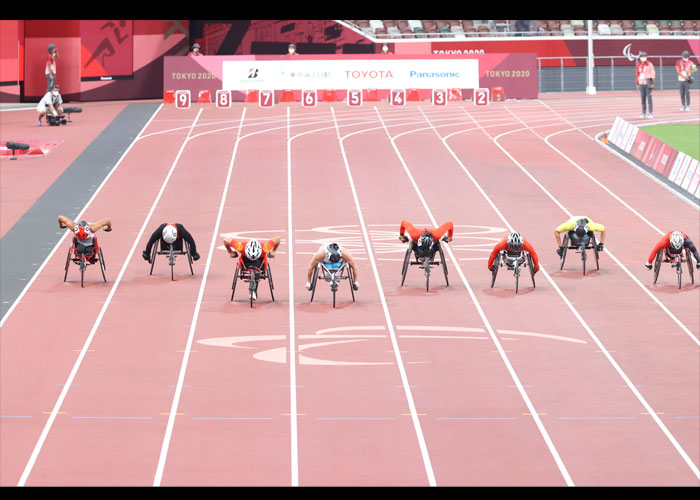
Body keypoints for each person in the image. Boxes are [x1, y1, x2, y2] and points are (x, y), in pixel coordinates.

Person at [223, 236, 281, 301]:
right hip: (245, 261)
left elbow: (277, 239)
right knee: (253, 268)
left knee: (257, 270)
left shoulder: (265, 248)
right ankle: (253, 290)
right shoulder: (241, 246)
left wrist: (274, 251)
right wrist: (230, 252)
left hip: (259, 261)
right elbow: (226, 240)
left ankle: (253, 291)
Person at [635, 52, 655, 118]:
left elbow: (652, 74)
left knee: (649, 98)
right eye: (641, 56)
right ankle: (643, 113)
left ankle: (650, 113)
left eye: (644, 56)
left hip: (648, 82)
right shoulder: (639, 65)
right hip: (641, 83)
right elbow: (637, 74)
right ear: (640, 57)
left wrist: (652, 83)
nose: (643, 58)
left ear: (646, 56)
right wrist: (637, 83)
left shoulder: (649, 64)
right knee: (642, 99)